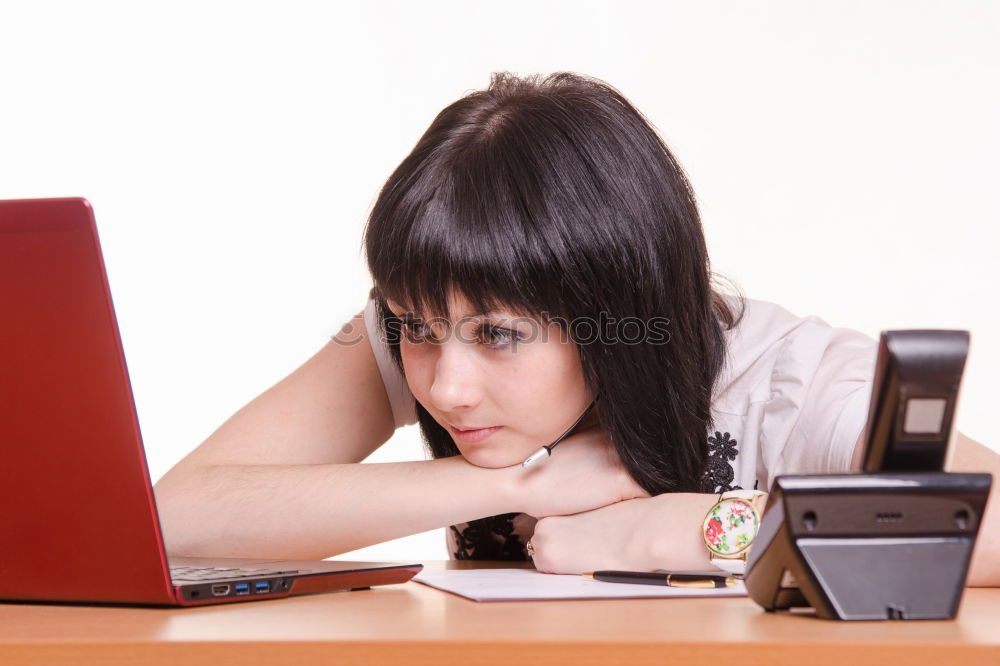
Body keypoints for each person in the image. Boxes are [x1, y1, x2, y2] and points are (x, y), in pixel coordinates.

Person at [154, 72, 1000, 585]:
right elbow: (175, 519)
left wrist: (708, 528)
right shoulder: (427, 317)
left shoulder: (794, 383)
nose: (444, 386)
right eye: (415, 328)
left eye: (500, 336)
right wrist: (513, 489)